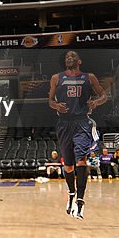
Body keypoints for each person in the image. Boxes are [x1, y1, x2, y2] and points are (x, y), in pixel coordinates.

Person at [48, 50, 107, 219]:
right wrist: (55, 106)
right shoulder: (56, 78)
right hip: (64, 123)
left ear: (79, 61)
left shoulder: (89, 77)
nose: (69, 58)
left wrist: (96, 101)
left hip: (82, 122)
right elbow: (50, 100)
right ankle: (71, 194)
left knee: (81, 159)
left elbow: (104, 95)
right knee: (68, 165)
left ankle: (80, 201)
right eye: (67, 56)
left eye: (73, 56)